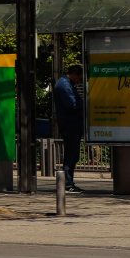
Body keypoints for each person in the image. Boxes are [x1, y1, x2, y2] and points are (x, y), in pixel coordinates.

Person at [53, 64, 84, 193]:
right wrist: (85, 102)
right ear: (75, 74)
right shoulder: (64, 85)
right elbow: (72, 104)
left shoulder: (66, 84)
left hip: (71, 123)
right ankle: (67, 183)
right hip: (70, 123)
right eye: (80, 78)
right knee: (71, 154)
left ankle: (69, 182)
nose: (80, 81)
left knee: (72, 154)